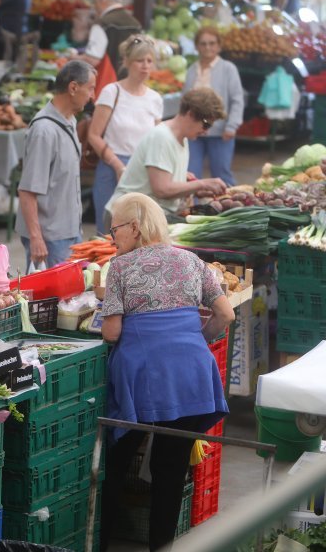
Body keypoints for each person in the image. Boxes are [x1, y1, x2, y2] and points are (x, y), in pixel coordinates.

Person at [99, 192, 233, 552]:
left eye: (115, 229)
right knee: (170, 470)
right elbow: (226, 315)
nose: (112, 237)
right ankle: (162, 546)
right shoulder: (191, 260)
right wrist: (193, 340)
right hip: (191, 374)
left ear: (135, 228)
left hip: (144, 376)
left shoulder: (121, 267)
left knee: (116, 462)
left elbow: (112, 332)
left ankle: (103, 540)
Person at [104, 88, 229, 226]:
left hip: (144, 217)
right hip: (127, 218)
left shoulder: (182, 139)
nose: (206, 132)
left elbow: (165, 181)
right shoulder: (162, 137)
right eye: (206, 124)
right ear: (190, 114)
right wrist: (202, 183)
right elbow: (162, 189)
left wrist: (193, 187)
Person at [15, 60, 96, 269]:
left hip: (68, 230)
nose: (92, 96)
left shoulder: (70, 121)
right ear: (73, 87)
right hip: (49, 237)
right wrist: (36, 238)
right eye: (91, 88)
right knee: (51, 299)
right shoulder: (44, 131)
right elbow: (27, 190)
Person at [88, 34, 163, 235]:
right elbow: (93, 135)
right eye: (140, 60)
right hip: (111, 168)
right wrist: (117, 165)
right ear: (127, 62)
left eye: (149, 61)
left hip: (143, 170)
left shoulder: (155, 99)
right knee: (107, 232)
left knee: (139, 232)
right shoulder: (112, 92)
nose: (145, 66)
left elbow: (158, 141)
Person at [183, 27, 244, 188]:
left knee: (222, 176)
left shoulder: (228, 69)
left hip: (220, 132)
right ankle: (192, 211)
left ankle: (229, 210)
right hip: (193, 133)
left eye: (212, 43)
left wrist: (231, 126)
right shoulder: (191, 70)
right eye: (203, 44)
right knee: (190, 176)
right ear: (196, 46)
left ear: (219, 46)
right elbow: (184, 101)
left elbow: (237, 100)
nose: (207, 47)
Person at [75, 0, 141, 73]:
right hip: (132, 82)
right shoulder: (136, 24)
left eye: (94, 2)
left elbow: (92, 60)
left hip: (108, 83)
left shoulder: (102, 24)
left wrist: (73, 59)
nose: (94, 6)